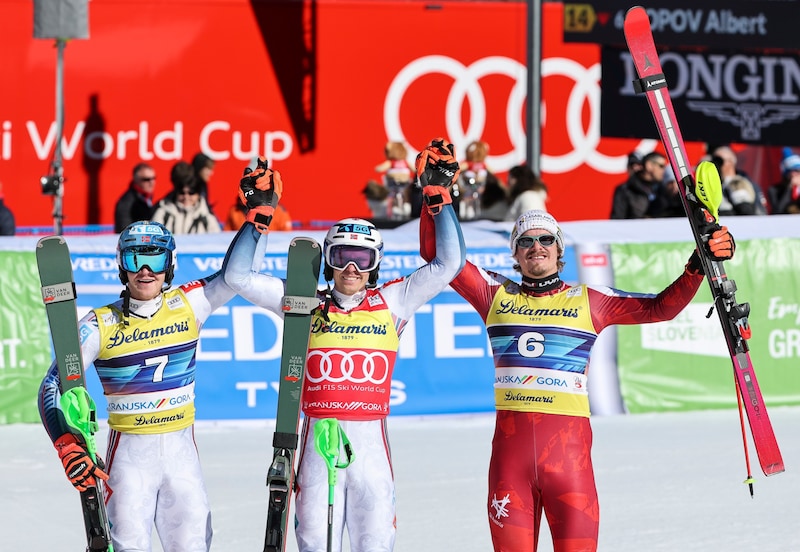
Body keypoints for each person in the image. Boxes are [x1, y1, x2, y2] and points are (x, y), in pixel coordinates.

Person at [419, 208, 735, 552]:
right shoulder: (494, 293)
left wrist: (697, 266)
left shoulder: (590, 299)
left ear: (559, 250)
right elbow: (439, 257)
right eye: (525, 241)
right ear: (514, 253)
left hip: (570, 471)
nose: (535, 246)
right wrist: (437, 199)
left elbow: (661, 308)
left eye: (545, 240)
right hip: (511, 469)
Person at [224, 139, 467, 552]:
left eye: (361, 257)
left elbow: (450, 264)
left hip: (372, 451)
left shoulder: (393, 301)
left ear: (376, 263)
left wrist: (438, 196)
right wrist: (258, 219)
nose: (351, 268)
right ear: (327, 260)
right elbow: (238, 278)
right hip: (317, 447)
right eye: (340, 256)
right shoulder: (305, 303)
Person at [37, 216, 259, 551]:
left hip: (182, 461)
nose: (145, 270)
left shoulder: (189, 303)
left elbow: (234, 277)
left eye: (154, 259)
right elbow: (52, 385)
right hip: (128, 465)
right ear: (121, 266)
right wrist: (66, 444)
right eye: (134, 259)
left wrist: (258, 222)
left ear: (170, 264)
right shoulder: (100, 323)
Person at [152, 160, 221, 234]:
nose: (186, 197)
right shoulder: (163, 213)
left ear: (198, 194)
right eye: (182, 193)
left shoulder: (207, 217)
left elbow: (217, 242)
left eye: (191, 193)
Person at [609, 151, 669, 219]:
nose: (664, 170)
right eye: (661, 166)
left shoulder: (664, 189)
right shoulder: (626, 190)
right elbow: (617, 220)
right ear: (649, 165)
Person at [710, 145, 767, 216]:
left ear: (730, 162)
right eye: (714, 161)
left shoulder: (736, 183)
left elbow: (746, 211)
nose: (716, 165)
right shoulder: (722, 184)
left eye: (719, 161)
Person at [113, 162, 157, 233]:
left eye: (153, 178)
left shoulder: (146, 198)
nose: (151, 182)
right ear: (136, 180)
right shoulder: (126, 203)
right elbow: (123, 230)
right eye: (146, 179)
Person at [766, 148, 800, 214]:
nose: (794, 174)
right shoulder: (774, 190)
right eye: (790, 171)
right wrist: (789, 188)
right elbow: (778, 211)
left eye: (797, 171)